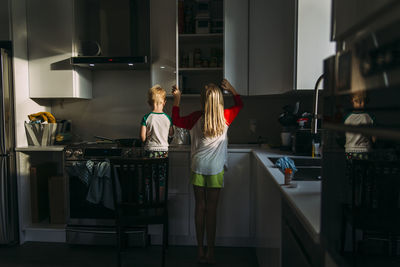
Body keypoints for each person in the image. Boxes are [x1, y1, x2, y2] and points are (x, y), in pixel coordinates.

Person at [171, 79, 243, 264]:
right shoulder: (226, 116)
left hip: (197, 167)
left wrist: (177, 100)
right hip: (215, 170)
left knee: (200, 208)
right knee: (212, 210)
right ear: (219, 101)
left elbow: (176, 120)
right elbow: (240, 104)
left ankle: (200, 250)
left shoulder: (196, 117)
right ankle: (211, 251)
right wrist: (231, 89)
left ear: (202, 102)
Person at [141, 85, 173, 201]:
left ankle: (148, 202)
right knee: (161, 180)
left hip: (150, 151)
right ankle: (159, 202)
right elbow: (171, 134)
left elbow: (143, 137)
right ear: (164, 102)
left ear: (149, 103)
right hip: (163, 152)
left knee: (148, 178)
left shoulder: (146, 118)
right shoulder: (168, 118)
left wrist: (148, 135)